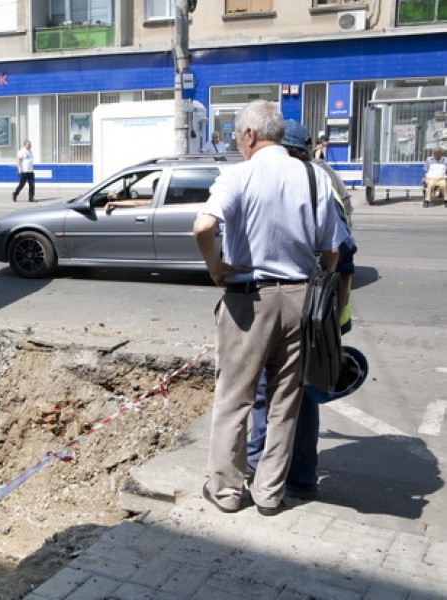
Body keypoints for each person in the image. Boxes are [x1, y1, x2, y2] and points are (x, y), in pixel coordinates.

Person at [192, 100, 339, 516]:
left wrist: (217, 267)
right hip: (299, 300)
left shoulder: (238, 175)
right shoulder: (315, 176)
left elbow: (203, 226)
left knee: (234, 400)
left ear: (251, 136)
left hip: (247, 301)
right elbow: (331, 250)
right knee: (285, 401)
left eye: (238, 138)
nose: (238, 145)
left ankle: (226, 491)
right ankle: (270, 494)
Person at [245, 119, 358, 500]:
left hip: (311, 313)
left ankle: (283, 474)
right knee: (292, 392)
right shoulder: (312, 180)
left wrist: (327, 320)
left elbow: (341, 261)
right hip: (317, 312)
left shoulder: (311, 183)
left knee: (288, 394)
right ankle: (286, 473)